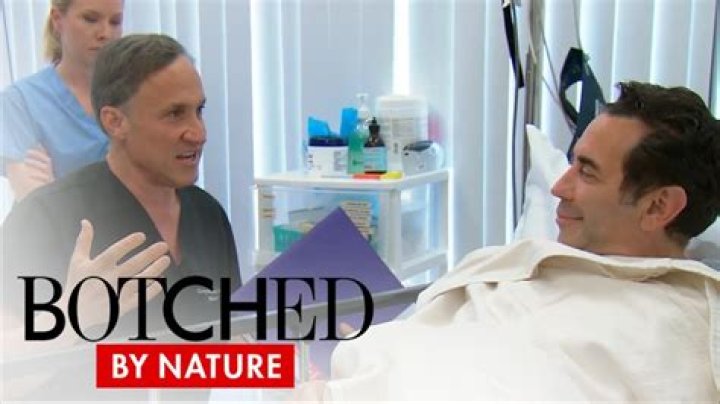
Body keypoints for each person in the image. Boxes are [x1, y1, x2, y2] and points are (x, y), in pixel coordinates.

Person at [302, 82, 720, 401]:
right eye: (570, 164)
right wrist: (378, 350)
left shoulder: (676, 334)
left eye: (587, 172)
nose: (559, 187)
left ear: (658, 206)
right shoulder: (521, 268)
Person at [1, 33, 240, 400]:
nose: (199, 133)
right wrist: (71, 317)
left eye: (199, 110)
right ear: (115, 121)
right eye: (174, 114)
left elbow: (225, 353)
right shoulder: (44, 219)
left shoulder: (208, 216)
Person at [1, 0, 123, 200]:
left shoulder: (136, 93)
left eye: (115, 22)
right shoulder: (21, 101)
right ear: (58, 20)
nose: (106, 33)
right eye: (90, 19)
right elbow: (35, 201)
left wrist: (57, 191)